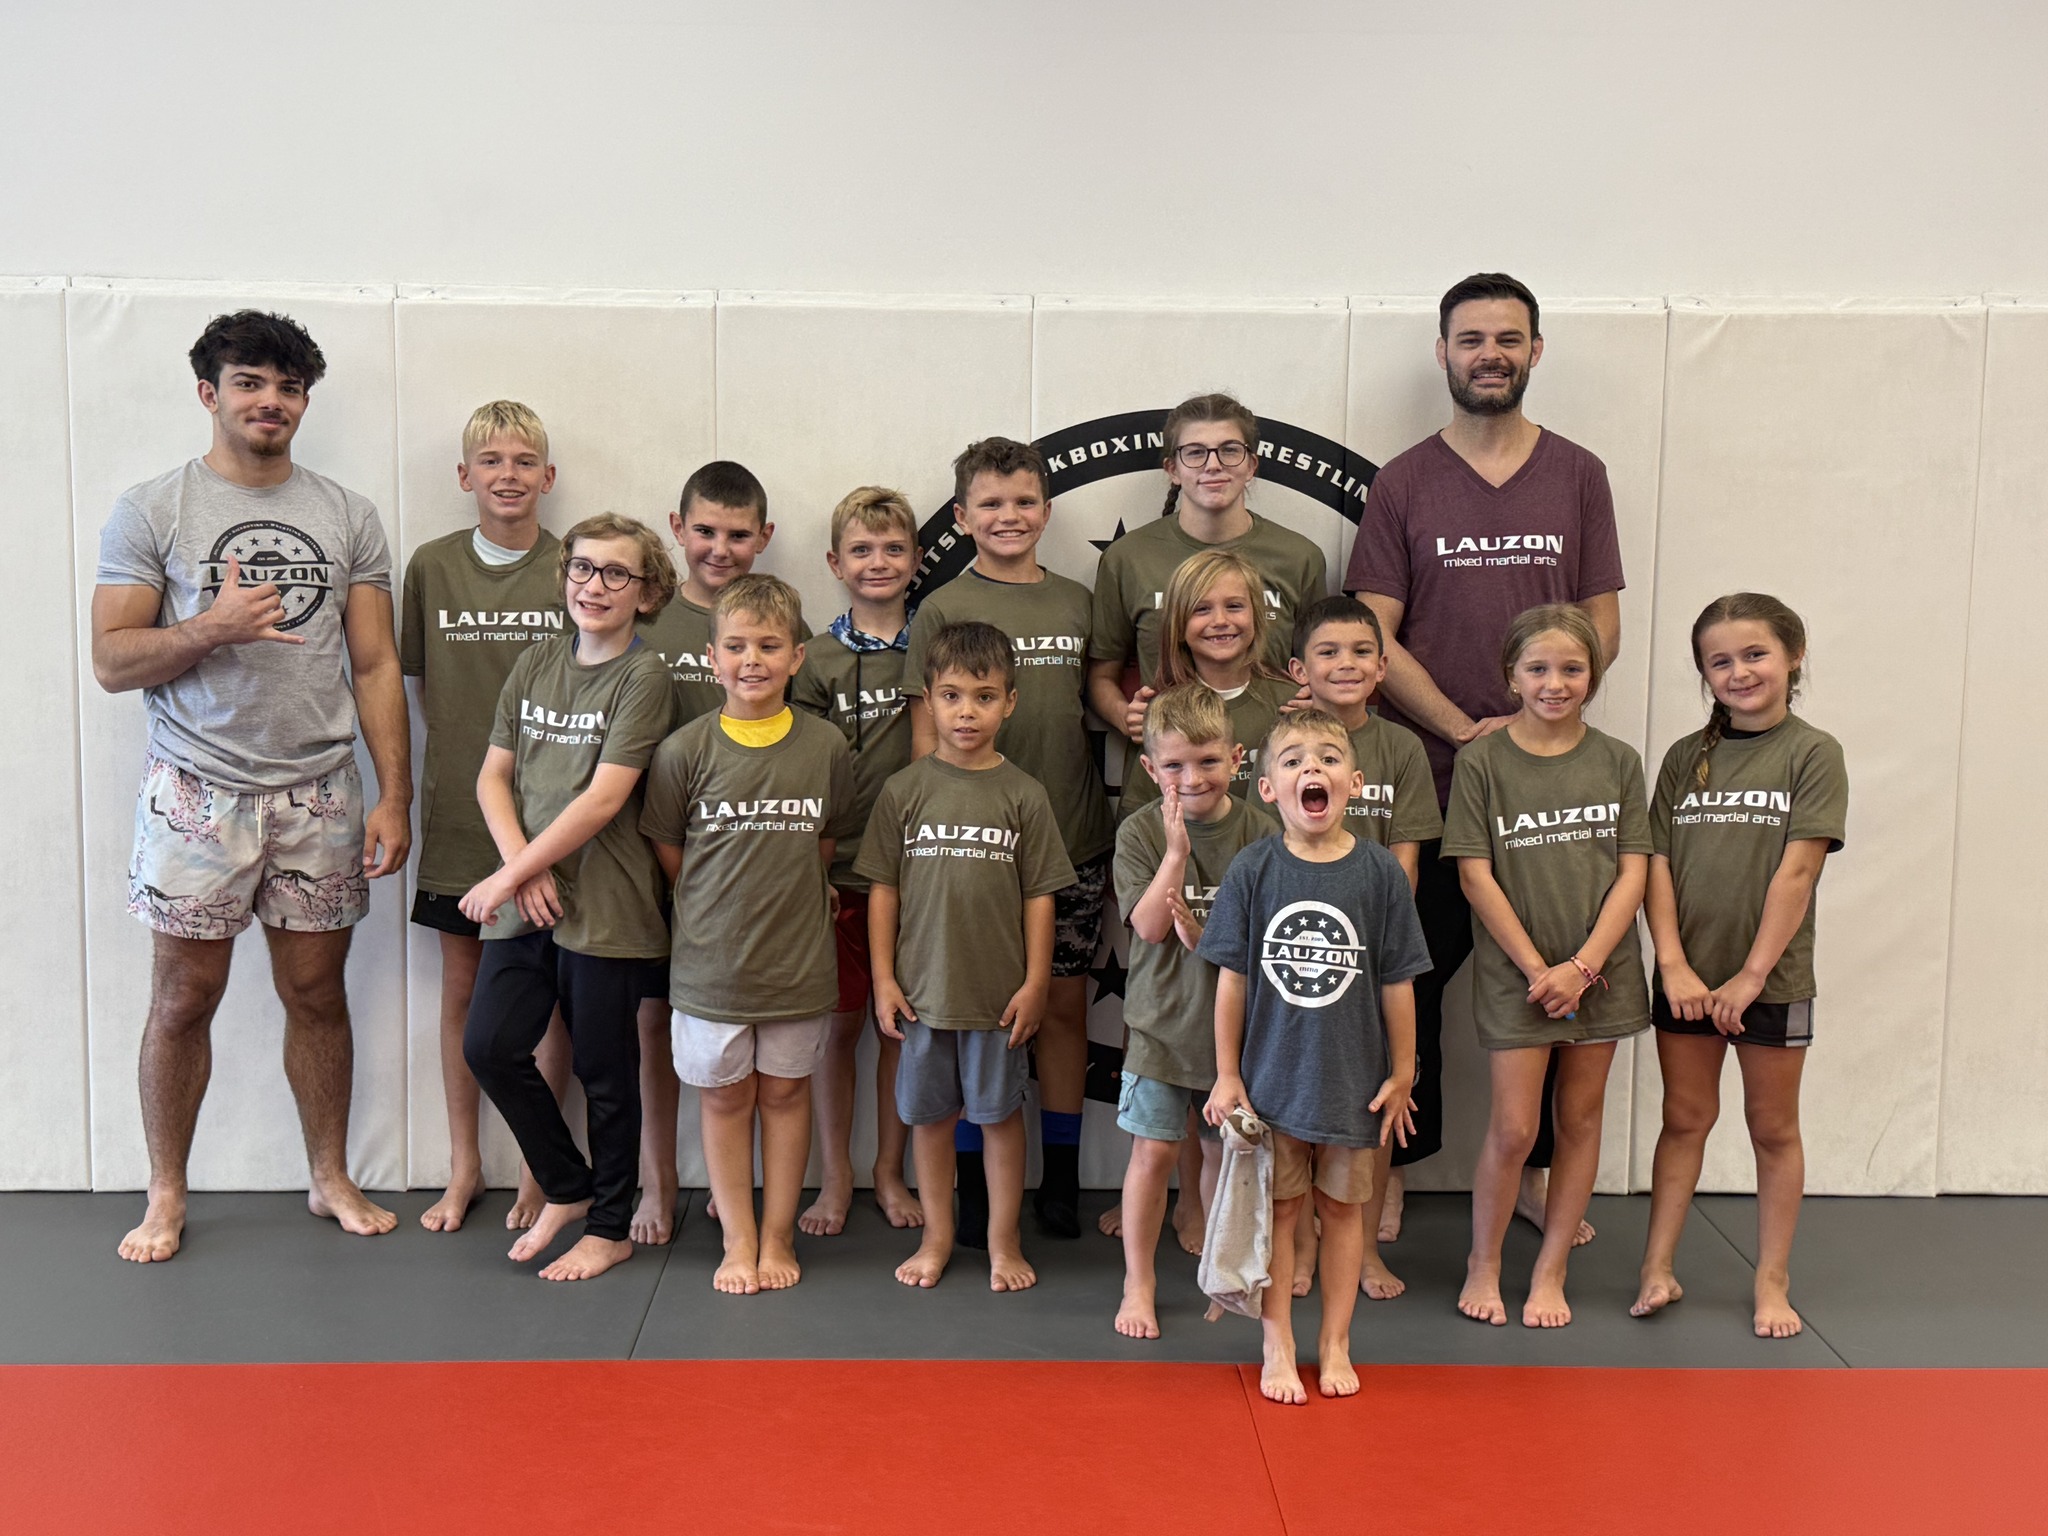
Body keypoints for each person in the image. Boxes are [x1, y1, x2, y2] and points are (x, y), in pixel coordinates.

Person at [92, 310, 410, 1263]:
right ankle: (166, 1193)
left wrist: (393, 794)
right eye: (250, 383)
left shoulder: (348, 514)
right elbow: (111, 661)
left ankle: (330, 1175)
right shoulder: (153, 509)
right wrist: (211, 627)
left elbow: (375, 665)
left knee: (317, 992)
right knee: (183, 998)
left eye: (289, 386)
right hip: (197, 792)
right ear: (210, 393)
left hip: (319, 792)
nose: (271, 401)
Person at [1342, 272, 1626, 1246]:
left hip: (1543, 789)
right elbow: (1374, 636)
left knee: (1546, 974)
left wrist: (1527, 723)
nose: (1489, 355)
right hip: (1425, 784)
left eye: (1507, 338)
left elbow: (1599, 624)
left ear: (1534, 350)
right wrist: (1467, 728)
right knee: (1406, 980)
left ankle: (1539, 1173)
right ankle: (1390, 1171)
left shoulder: (1578, 474)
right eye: (1470, 340)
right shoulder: (1402, 481)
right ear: (1443, 353)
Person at [458, 514, 677, 1281]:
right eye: (583, 568)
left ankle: (610, 1228)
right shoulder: (536, 662)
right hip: (529, 895)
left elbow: (603, 799)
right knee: (490, 1046)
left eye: (617, 573)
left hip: (607, 907)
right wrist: (520, 871)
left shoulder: (645, 677)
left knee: (606, 1074)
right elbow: (493, 775)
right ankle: (568, 1185)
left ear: (646, 592)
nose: (595, 585)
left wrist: (508, 875)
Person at [904, 439, 1112, 1240]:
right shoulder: (943, 607)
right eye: (990, 504)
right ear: (962, 517)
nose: (1009, 517)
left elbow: (1103, 694)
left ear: (1047, 511)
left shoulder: (1077, 601)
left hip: (1072, 840)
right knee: (969, 1015)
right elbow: (924, 739)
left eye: (1024, 502)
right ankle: (967, 1189)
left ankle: (1059, 1177)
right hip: (969, 854)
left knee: (1059, 1009)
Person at [1632, 594, 1846, 1339]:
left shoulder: (1812, 753)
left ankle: (1771, 1278)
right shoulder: (1684, 757)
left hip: (1769, 982)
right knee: (1684, 1118)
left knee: (1773, 1129)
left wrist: (1751, 978)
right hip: (1688, 981)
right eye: (1719, 661)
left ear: (1794, 655)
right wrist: (1673, 964)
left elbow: (1798, 872)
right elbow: (1655, 863)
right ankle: (1658, 1266)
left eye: (1755, 654)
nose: (1739, 672)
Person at [1201, 709, 1429, 1403]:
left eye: (1328, 757)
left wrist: (1403, 1072)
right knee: (1281, 1216)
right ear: (1268, 787)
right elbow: (1231, 981)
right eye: (1294, 758)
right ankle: (1277, 1343)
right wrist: (1228, 1074)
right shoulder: (1253, 868)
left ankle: (1335, 1342)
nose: (1313, 767)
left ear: (1353, 783)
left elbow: (1397, 981)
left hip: (1354, 1085)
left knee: (1344, 1213)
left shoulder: (1380, 872)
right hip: (1273, 1084)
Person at [641, 575, 859, 1294]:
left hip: (798, 967)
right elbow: (671, 850)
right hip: (712, 969)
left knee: (787, 1096)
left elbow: (824, 842)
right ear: (712, 658)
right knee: (726, 1099)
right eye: (735, 647)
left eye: (769, 646)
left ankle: (777, 1233)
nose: (752, 661)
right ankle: (738, 1239)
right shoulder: (683, 751)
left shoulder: (826, 746)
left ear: (798, 657)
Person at [1441, 604, 1650, 1329]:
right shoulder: (1483, 762)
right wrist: (1540, 971)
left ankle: (1552, 1268)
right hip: (1518, 978)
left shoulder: (1618, 761)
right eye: (1538, 668)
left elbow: (1633, 873)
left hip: (1603, 974)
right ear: (1511, 677)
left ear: (1593, 675)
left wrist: (1583, 968)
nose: (1554, 683)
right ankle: (1485, 1263)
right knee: (1513, 1130)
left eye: (1571, 669)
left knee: (1580, 1122)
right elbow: (1475, 875)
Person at [857, 621, 1075, 1292]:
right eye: (951, 696)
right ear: (927, 700)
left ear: (1010, 702)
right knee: (930, 1122)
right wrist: (884, 979)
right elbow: (883, 890)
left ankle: (1003, 1242)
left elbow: (1040, 897)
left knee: (1000, 1120)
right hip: (922, 998)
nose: (966, 712)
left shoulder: (1024, 794)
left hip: (997, 1000)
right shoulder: (904, 790)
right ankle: (938, 1237)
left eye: (984, 697)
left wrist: (1036, 983)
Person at [402, 400, 573, 1234]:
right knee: (464, 993)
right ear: (465, 475)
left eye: (524, 460)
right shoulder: (432, 566)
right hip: (462, 822)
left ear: (549, 476)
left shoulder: (575, 567)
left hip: (556, 826)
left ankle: (544, 1170)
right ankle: (465, 1165)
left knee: (550, 997)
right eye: (492, 460)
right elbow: (422, 688)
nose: (509, 475)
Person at [635, 460, 790, 1240]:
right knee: (654, 1023)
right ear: (677, 528)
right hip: (650, 852)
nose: (719, 548)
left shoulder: (774, 625)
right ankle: (657, 1182)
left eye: (737, 534)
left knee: (754, 1042)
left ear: (764, 536)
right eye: (704, 531)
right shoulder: (647, 619)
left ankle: (757, 1200)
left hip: (745, 871)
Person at [1286, 593, 1440, 1298]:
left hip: (1373, 960)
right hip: (1299, 957)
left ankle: (1365, 1251)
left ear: (1383, 668)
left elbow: (1406, 861)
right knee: (1293, 1110)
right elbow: (1270, 850)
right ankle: (1302, 1249)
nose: (1345, 664)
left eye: (1360, 652)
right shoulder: (1283, 742)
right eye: (1328, 652)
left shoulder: (1401, 748)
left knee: (1371, 1109)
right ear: (1300, 669)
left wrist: (1378, 947)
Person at [1111, 684, 1276, 1339]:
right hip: (1159, 1028)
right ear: (1150, 768)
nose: (1193, 778)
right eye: (1174, 765)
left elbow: (1269, 942)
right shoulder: (1139, 831)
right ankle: (1138, 1283)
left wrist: (1209, 940)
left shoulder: (1262, 834)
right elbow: (1150, 927)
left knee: (1220, 1157)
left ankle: (1217, 1271)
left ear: (1236, 758)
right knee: (1152, 1155)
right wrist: (1176, 853)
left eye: (1208, 761)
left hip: (1234, 1040)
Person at [792, 487, 923, 1235]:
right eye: (862, 550)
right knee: (839, 1031)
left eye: (894, 548)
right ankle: (836, 1177)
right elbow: (803, 771)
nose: (879, 562)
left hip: (917, 876)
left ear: (916, 559)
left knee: (903, 1032)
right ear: (835, 563)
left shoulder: (933, 645)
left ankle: (889, 1171)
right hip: (840, 875)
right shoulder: (814, 659)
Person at [1088, 391, 1328, 746]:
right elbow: (1100, 676)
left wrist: (1317, 699)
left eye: (1229, 450)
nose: (1213, 465)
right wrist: (1125, 716)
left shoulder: (1299, 557)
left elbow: (1319, 666)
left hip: (1273, 761)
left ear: (1251, 465)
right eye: (1195, 452)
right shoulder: (1127, 558)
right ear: (1173, 469)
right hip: (1171, 764)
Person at [1115, 549, 1297, 815]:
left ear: (1257, 617)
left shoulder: (1292, 704)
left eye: (1234, 606)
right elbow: (1139, 820)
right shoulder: (1162, 712)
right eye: (1201, 609)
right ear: (1178, 626)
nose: (1220, 621)